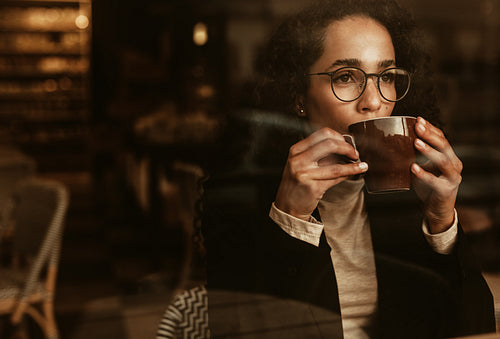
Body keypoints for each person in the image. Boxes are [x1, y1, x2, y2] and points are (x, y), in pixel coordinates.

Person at [201, 0, 496, 338]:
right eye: (345, 77)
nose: (374, 100)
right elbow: (242, 330)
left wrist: (442, 221)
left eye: (386, 77)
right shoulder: (240, 195)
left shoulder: (407, 198)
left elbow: (473, 327)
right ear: (297, 95)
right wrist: (291, 219)